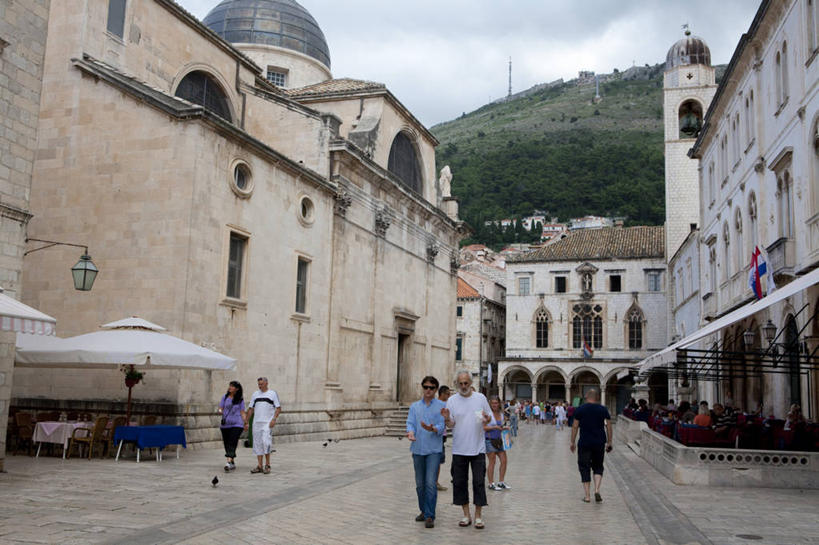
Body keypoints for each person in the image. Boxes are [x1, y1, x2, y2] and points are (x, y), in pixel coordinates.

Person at [442, 370, 491, 529]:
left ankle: (478, 516)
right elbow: (451, 425)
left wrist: (487, 418)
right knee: (460, 482)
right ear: (457, 384)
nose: (463, 386)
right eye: (460, 383)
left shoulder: (480, 398)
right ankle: (466, 515)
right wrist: (446, 419)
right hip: (459, 449)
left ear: (471, 383)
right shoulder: (452, 401)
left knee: (478, 482)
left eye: (466, 383)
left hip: (478, 448)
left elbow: (488, 417)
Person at [406, 376, 446, 529]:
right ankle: (423, 510)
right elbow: (410, 422)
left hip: (433, 450)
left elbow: (443, 426)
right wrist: (410, 432)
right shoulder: (414, 406)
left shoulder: (442, 406)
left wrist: (433, 428)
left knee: (430, 483)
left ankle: (430, 515)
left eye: (431, 387)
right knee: (420, 484)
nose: (428, 390)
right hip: (417, 449)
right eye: (425, 387)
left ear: (436, 389)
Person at [570, 389, 612, 503]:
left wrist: (572, 442)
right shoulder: (603, 409)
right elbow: (608, 426)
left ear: (586, 396)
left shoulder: (580, 409)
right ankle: (597, 490)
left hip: (585, 442)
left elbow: (574, 426)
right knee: (598, 466)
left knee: (584, 467)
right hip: (599, 442)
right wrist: (609, 442)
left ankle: (587, 496)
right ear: (597, 397)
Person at [246, 376, 281, 474]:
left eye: (261, 384)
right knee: (257, 444)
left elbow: (278, 408)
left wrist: (274, 419)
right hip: (256, 423)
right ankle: (259, 466)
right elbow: (251, 409)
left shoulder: (272, 394)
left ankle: (268, 465)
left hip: (267, 423)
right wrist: (246, 422)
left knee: (266, 442)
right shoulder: (255, 394)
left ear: (266, 383)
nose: (260, 386)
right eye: (259, 384)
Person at [218, 380, 247, 472]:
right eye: (230, 385)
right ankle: (232, 462)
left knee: (232, 441)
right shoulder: (225, 397)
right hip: (225, 425)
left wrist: (246, 423)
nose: (230, 387)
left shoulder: (240, 400)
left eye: (232, 386)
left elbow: (242, 412)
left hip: (237, 424)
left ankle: (228, 462)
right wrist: (220, 411)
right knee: (227, 443)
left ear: (237, 389)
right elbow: (220, 408)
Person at [485, 396, 511, 491]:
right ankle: (491, 483)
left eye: (496, 403)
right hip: (489, 439)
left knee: (504, 461)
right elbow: (483, 428)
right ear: (490, 404)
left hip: (500, 440)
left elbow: (501, 426)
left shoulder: (501, 414)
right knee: (492, 461)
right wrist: (494, 427)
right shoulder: (488, 414)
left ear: (499, 404)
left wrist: (504, 428)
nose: (494, 405)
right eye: (493, 403)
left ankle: (501, 482)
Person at [436, 385, 451, 491]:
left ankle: (435, 482)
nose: (449, 396)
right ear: (443, 394)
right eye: (448, 394)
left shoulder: (446, 405)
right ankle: (434, 482)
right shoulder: (438, 405)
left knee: (439, 460)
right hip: (438, 435)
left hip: (443, 435)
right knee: (436, 460)